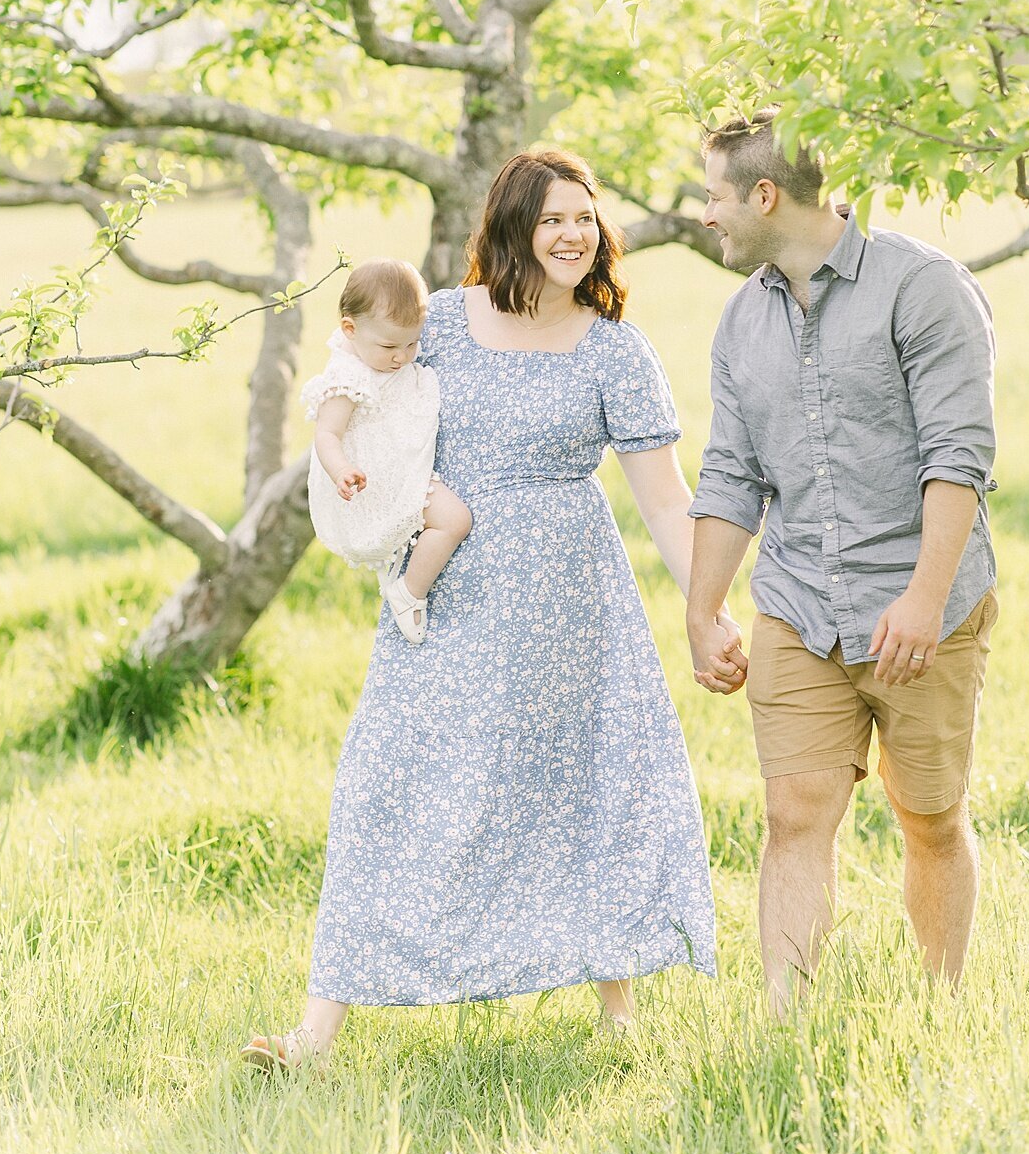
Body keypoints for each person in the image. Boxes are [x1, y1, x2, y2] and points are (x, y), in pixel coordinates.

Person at [241, 149, 719, 1072]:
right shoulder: (446, 324)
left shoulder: (615, 348)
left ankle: (620, 1024)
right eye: (552, 220)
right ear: (512, 227)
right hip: (449, 591)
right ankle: (315, 1036)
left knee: (585, 787)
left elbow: (664, 499)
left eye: (585, 217)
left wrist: (709, 609)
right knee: (387, 790)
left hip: (572, 601)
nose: (573, 234)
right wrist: (366, 502)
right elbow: (357, 387)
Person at [685, 112, 998, 1009]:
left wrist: (924, 599)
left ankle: (941, 1010)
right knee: (794, 813)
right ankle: (787, 1024)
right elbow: (732, 471)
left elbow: (958, 458)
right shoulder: (743, 320)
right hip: (798, 604)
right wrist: (705, 609)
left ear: (766, 195)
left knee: (930, 818)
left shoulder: (923, 288)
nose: (707, 215)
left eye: (715, 195)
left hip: (920, 604)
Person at [300, 258, 473, 644]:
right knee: (454, 520)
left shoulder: (384, 356)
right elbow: (326, 434)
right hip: (376, 479)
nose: (403, 356)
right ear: (351, 329)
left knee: (448, 521)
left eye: (413, 342)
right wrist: (341, 469)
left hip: (403, 465)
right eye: (390, 346)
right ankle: (409, 592)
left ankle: (403, 577)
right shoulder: (347, 377)